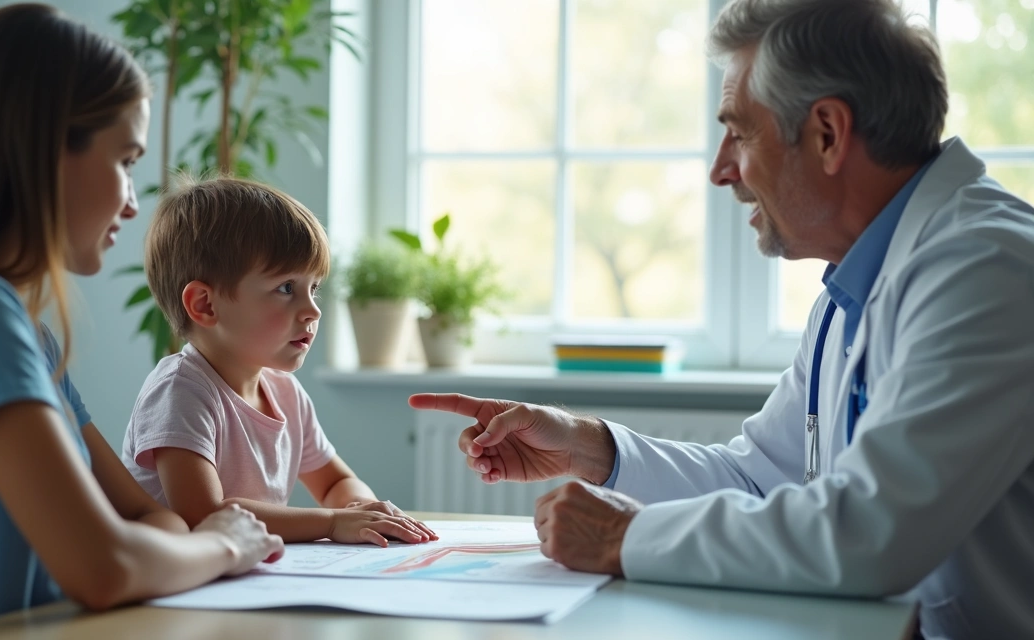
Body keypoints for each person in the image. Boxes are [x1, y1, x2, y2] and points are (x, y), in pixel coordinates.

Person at [410, 0, 1034, 637]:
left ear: (827, 133)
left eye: (740, 131)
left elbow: (873, 532)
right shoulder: (856, 287)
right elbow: (757, 481)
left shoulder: (988, 270)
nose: (719, 169)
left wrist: (624, 538)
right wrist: (586, 445)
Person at [0, 5, 284, 638]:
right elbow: (106, 564)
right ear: (42, 152)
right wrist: (226, 542)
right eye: (124, 160)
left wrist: (157, 543)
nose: (130, 199)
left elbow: (148, 520)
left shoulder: (25, 333)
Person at [122, 176, 436, 548]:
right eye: (286, 288)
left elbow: (334, 482)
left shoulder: (285, 391)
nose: (312, 310)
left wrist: (361, 508)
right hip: (173, 589)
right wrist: (334, 522)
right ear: (205, 305)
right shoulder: (180, 391)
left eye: (314, 288)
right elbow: (207, 515)